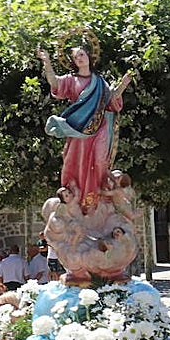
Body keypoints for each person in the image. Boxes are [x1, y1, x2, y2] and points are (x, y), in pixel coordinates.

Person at [38, 43, 132, 213]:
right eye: (75, 57)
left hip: (100, 127)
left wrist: (123, 84)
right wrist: (47, 63)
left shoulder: (100, 82)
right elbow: (55, 84)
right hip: (78, 130)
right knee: (75, 163)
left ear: (89, 56)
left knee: (99, 160)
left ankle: (100, 196)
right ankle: (77, 199)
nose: (79, 58)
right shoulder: (71, 80)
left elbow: (111, 100)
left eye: (81, 54)